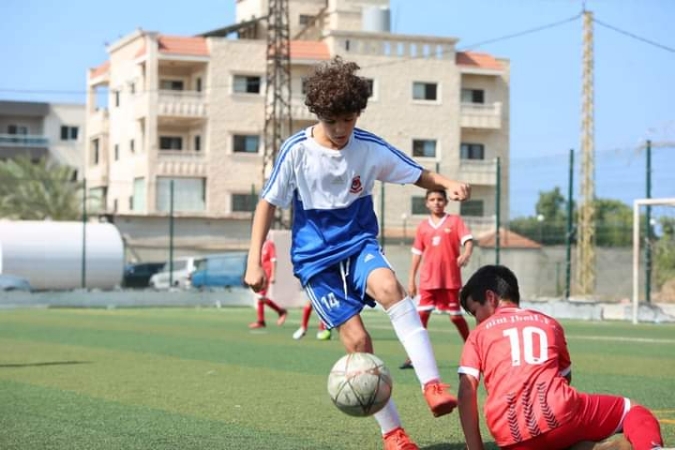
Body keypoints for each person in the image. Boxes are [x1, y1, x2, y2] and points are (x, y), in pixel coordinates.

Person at [245, 56, 471, 450]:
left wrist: (448, 181)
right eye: (332, 121)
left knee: (391, 289)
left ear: (357, 114)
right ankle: (393, 433)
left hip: (358, 243)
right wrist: (253, 262)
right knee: (358, 341)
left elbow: (417, 174)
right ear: (318, 114)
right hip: (316, 261)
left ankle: (433, 385)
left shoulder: (369, 148)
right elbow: (267, 203)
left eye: (348, 120)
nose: (340, 129)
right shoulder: (296, 151)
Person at [457, 265, 670, 450]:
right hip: (560, 417)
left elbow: (467, 390)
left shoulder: (478, 334)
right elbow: (565, 378)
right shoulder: (549, 323)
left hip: (511, 436)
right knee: (632, 409)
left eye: (475, 312)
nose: (477, 321)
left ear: (491, 298)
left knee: (544, 440)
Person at [399, 188, 473, 370]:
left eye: (440, 199)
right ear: (427, 203)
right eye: (432, 199)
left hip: (450, 279)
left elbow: (468, 240)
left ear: (446, 202)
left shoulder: (455, 221)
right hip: (428, 281)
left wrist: (467, 253)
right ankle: (412, 357)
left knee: (456, 317)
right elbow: (416, 254)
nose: (436, 202)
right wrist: (411, 280)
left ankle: (474, 352)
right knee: (421, 317)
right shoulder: (423, 227)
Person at [249, 236, 288, 329]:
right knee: (260, 298)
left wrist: (273, 275)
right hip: (261, 275)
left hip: (267, 275)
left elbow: (273, 260)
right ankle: (262, 321)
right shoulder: (260, 246)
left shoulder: (270, 244)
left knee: (260, 297)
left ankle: (280, 312)